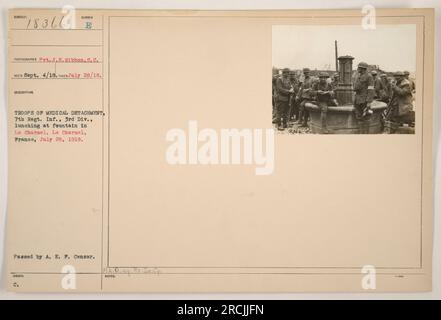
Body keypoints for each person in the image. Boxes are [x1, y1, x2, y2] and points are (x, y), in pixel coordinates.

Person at [353, 62, 375, 128]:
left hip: (364, 100)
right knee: (359, 117)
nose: (357, 69)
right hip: (357, 100)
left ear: (363, 68)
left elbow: (371, 90)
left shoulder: (369, 76)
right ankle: (361, 133)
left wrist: (369, 101)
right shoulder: (358, 76)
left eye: (359, 67)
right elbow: (355, 87)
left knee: (366, 117)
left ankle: (366, 134)